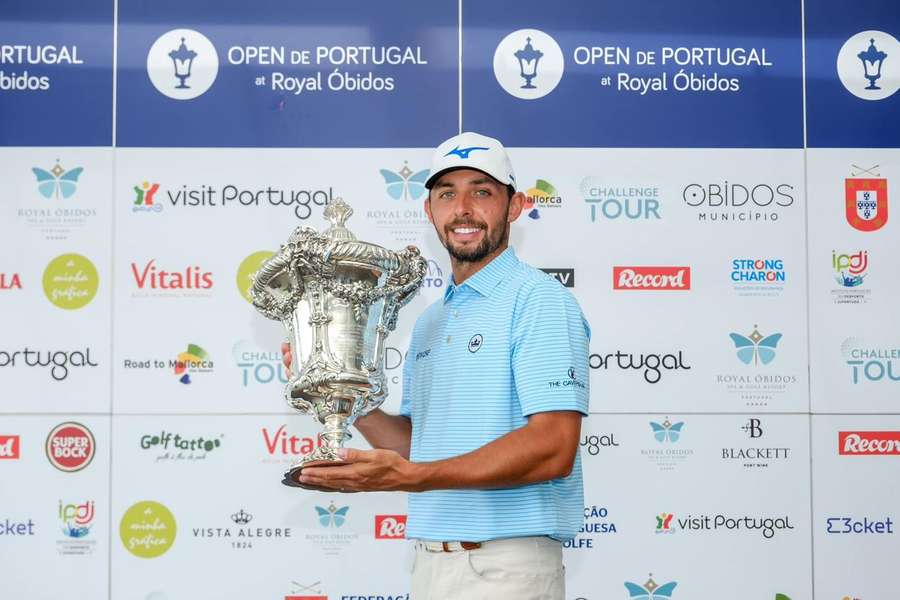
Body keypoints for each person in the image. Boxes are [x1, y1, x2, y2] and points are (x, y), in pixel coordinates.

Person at [282, 132, 590, 600]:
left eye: (482, 192)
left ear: (515, 206)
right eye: (447, 193)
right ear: (430, 211)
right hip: (431, 567)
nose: (463, 208)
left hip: (507, 568)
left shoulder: (539, 300)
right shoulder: (429, 321)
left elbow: (553, 447)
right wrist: (339, 388)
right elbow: (418, 449)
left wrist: (414, 478)